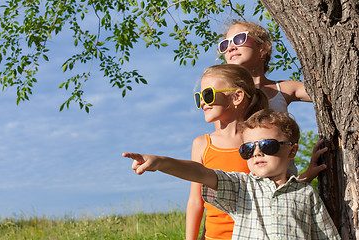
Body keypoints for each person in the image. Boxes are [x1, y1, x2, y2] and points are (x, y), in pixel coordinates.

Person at [122, 109, 341, 240]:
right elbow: (202, 173)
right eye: (248, 148)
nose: (257, 152)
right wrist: (161, 162)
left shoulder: (306, 193)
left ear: (292, 150)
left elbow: (326, 236)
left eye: (267, 145)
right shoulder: (242, 186)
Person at [218, 20, 317, 177]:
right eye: (224, 45)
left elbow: (331, 94)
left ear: (263, 48)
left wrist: (307, 175)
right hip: (246, 186)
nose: (230, 47)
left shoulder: (284, 89)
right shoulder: (227, 98)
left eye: (239, 39)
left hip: (284, 183)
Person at [188, 64, 268, 239]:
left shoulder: (256, 141)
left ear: (237, 96)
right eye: (199, 97)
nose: (202, 102)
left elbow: (273, 187)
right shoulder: (202, 144)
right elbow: (196, 201)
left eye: (208, 95)